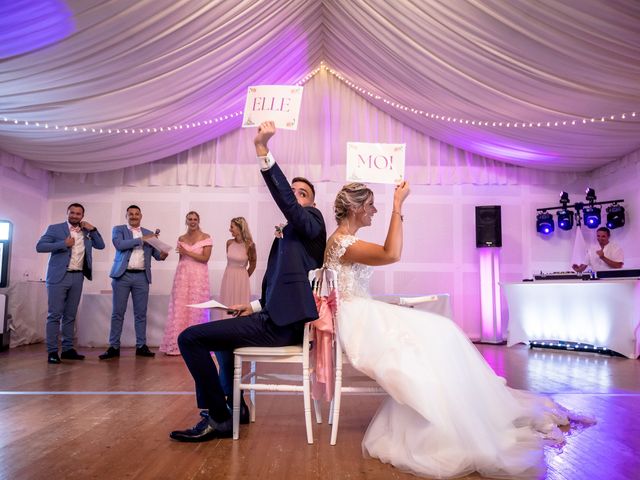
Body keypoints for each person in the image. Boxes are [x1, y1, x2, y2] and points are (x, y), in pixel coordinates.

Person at [323, 182, 594, 479]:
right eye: (371, 205)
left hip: (364, 309)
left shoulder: (345, 241)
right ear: (355, 208)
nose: (374, 211)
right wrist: (398, 206)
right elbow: (391, 254)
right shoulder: (343, 243)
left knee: (441, 331)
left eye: (377, 205)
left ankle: (460, 410)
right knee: (437, 334)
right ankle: (448, 418)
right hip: (358, 317)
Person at [169, 121, 326, 442]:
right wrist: (252, 305)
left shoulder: (313, 222)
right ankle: (234, 408)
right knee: (222, 343)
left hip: (282, 327)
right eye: (293, 191)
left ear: (311, 203)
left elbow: (290, 203)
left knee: (189, 338)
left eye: (303, 193)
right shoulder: (288, 236)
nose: (296, 197)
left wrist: (263, 151)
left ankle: (218, 416)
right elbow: (279, 284)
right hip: (271, 316)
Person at [36, 203, 105, 364]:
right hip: (58, 276)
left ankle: (67, 349)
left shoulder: (87, 232)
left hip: (78, 276)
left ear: (82, 216)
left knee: (70, 315)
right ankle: (52, 351)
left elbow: (101, 245)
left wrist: (93, 229)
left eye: (78, 214)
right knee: (54, 315)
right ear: (67, 213)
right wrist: (63, 244)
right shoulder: (55, 228)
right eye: (72, 213)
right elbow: (40, 247)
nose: (74, 216)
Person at [99, 205, 168, 360]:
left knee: (141, 314)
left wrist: (163, 254)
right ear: (127, 215)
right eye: (131, 214)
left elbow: (157, 255)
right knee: (118, 313)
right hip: (122, 276)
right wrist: (140, 239)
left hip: (142, 277)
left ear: (141, 216)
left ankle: (141, 346)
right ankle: (114, 346)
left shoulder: (149, 234)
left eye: (137, 214)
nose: (134, 216)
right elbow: (120, 245)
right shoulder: (118, 230)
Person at [214, 217, 257, 395]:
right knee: (226, 307)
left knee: (240, 309)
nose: (230, 230)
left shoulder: (250, 244)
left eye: (232, 227)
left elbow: (253, 263)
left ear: (240, 228)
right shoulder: (228, 242)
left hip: (240, 278)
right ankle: (226, 338)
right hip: (228, 276)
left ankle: (239, 337)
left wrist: (244, 276)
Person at [159, 211, 212, 355]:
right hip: (182, 276)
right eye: (190, 219)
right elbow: (181, 260)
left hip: (199, 277)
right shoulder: (181, 238)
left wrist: (187, 252)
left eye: (195, 219)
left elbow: (205, 258)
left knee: (197, 308)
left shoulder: (206, 237)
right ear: (186, 221)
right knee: (180, 308)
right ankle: (177, 344)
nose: (193, 221)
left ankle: (197, 343)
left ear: (198, 220)